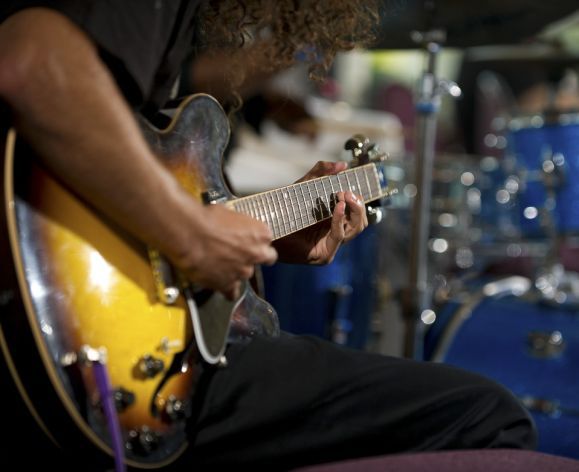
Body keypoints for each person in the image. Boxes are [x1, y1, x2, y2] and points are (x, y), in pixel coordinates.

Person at [0, 1, 537, 471]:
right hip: (94, 352)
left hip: (118, 337)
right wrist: (191, 236)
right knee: (485, 416)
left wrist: (264, 232)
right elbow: (31, 63)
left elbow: (124, 182)